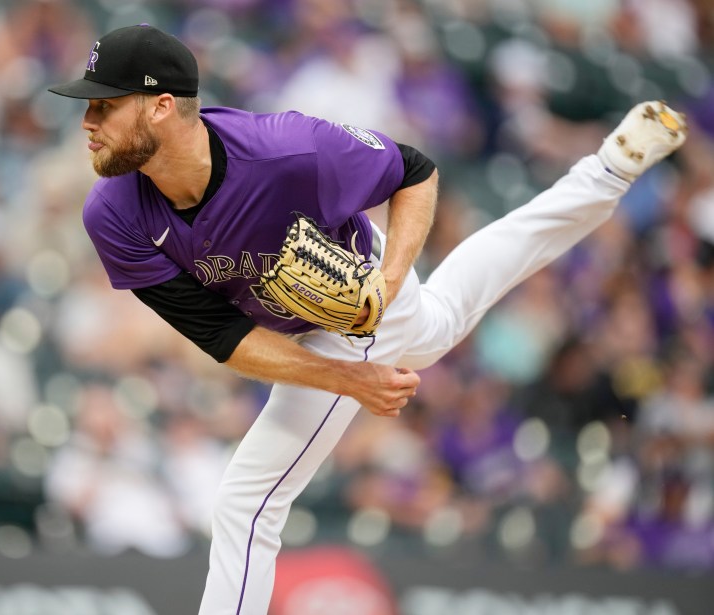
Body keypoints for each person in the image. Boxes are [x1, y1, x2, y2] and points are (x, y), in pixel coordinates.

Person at [47, 24, 688, 615]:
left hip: (360, 299)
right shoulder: (113, 214)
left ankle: (601, 175)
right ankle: (603, 174)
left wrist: (383, 286)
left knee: (247, 499)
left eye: (105, 103)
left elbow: (414, 172)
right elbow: (220, 336)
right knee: (439, 324)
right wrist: (349, 381)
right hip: (303, 325)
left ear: (161, 106)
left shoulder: (287, 152)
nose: (89, 119)